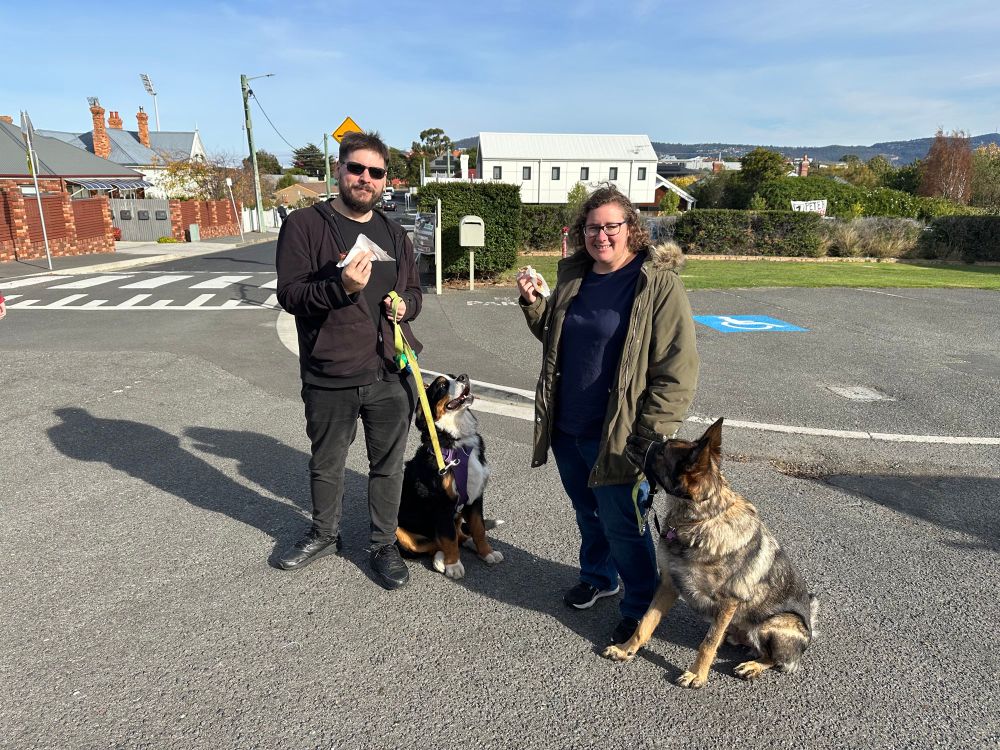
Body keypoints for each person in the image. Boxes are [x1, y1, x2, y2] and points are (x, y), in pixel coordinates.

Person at [517, 185, 699, 643]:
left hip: (620, 434)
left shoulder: (656, 283)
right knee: (587, 511)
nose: (601, 235)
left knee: (624, 522)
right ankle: (599, 578)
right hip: (567, 425)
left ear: (631, 229)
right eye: (593, 227)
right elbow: (560, 340)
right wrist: (536, 304)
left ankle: (640, 607)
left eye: (611, 226)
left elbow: (677, 370)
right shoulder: (576, 276)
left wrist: (649, 435)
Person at [275, 131, 422, 590]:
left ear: (384, 181)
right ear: (338, 170)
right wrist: (342, 289)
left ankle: (382, 544)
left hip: (387, 369)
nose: (365, 179)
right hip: (330, 371)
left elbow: (415, 293)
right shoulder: (304, 226)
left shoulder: (394, 234)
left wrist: (405, 308)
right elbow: (290, 294)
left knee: (388, 465)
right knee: (327, 462)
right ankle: (324, 534)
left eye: (375, 172)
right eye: (356, 168)